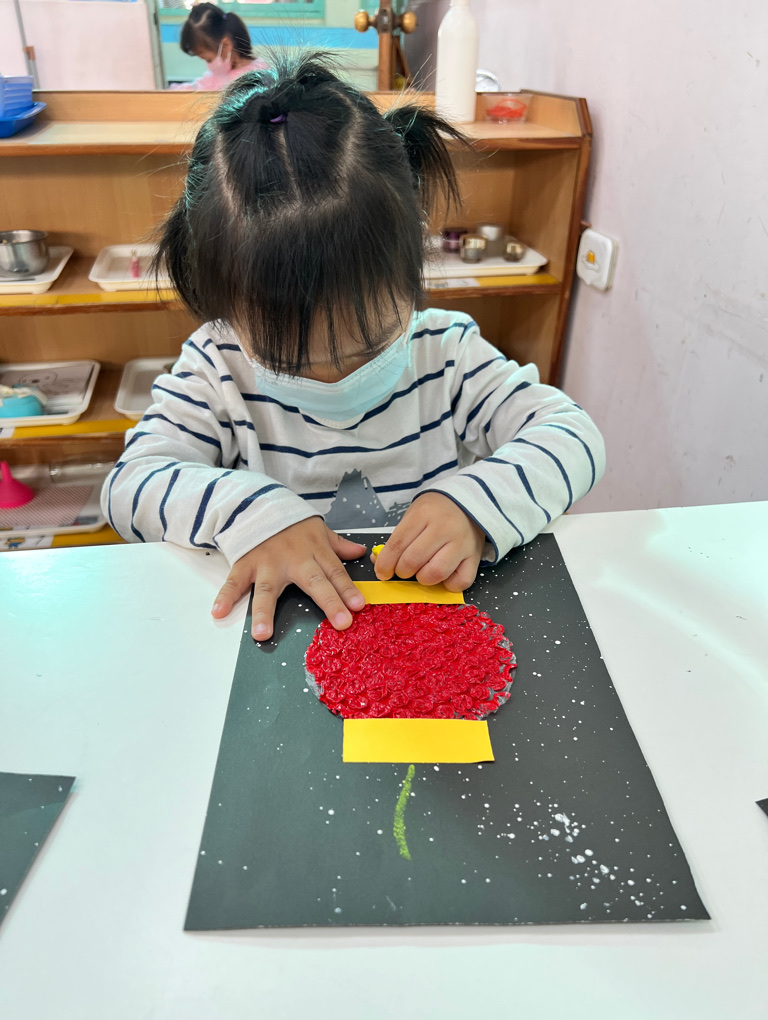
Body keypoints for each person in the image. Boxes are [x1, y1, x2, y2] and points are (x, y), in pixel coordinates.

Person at [103, 52, 605, 641]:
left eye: (369, 343)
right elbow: (129, 488)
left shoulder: (445, 352)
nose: (335, 378)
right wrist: (250, 512)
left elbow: (573, 436)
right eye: (289, 360)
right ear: (226, 311)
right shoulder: (218, 365)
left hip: (427, 630)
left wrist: (477, 506)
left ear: (412, 272)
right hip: (287, 634)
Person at [172, 3, 267, 91]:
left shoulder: (260, 76)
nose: (208, 65)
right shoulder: (216, 77)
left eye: (209, 60)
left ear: (226, 45)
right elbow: (194, 87)